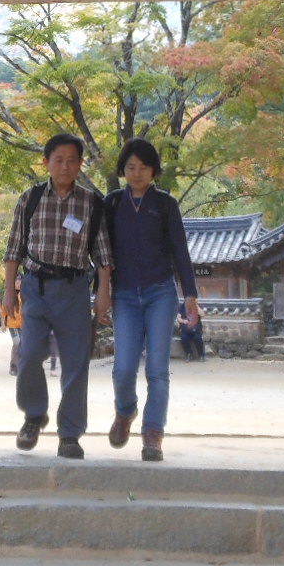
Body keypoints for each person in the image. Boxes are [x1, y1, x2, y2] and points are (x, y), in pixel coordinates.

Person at [5, 131, 114, 458]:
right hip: (35, 288)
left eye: (72, 160)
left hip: (74, 290)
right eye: (59, 160)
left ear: (80, 164)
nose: (65, 166)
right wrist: (9, 292)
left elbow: (104, 256)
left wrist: (103, 293)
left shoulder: (91, 203)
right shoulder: (31, 198)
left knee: (76, 363)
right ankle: (34, 415)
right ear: (46, 163)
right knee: (28, 355)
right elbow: (13, 249)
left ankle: (69, 434)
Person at [100, 138, 201, 462]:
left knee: (157, 369)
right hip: (125, 293)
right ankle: (125, 410)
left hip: (160, 292)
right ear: (123, 169)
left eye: (144, 167)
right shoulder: (112, 203)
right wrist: (101, 291)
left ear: (154, 170)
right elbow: (102, 252)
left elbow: (180, 250)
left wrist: (190, 295)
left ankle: (153, 432)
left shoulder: (166, 204)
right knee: (123, 368)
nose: (137, 173)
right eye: (131, 167)